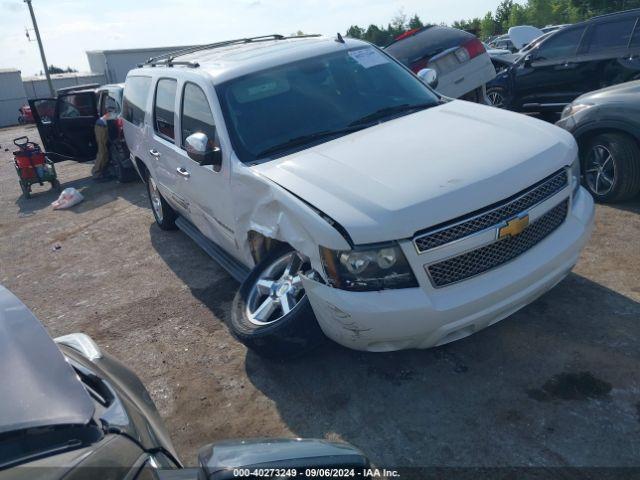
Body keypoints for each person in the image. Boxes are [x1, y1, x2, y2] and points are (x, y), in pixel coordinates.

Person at [91, 102, 116, 180]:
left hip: (101, 126)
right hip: (101, 127)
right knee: (102, 151)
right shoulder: (117, 113)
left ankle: (102, 171)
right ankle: (96, 173)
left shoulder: (115, 112)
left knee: (104, 151)